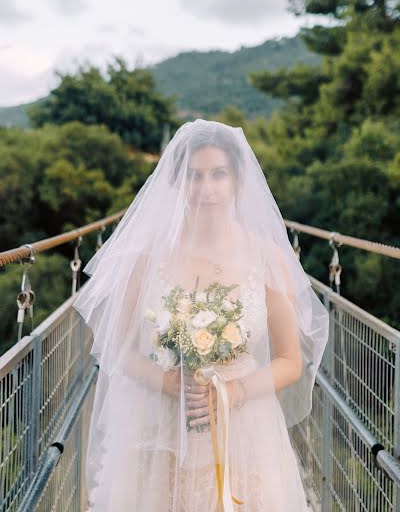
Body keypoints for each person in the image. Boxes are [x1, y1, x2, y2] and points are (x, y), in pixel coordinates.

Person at [73, 119, 329, 511]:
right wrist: (165, 381)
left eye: (218, 174)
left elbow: (291, 361)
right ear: (176, 183)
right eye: (193, 176)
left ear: (237, 181)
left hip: (243, 428)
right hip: (158, 426)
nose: (205, 188)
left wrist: (233, 392)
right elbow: (117, 347)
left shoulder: (269, 259)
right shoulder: (146, 259)